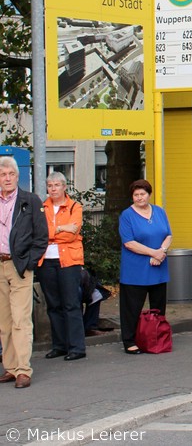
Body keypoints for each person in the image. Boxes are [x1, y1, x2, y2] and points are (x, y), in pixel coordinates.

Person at [0, 155, 47, 388]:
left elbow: (42, 237)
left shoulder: (29, 200)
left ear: (17, 177)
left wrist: (29, 262)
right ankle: (10, 367)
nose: (7, 178)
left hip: (19, 267)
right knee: (4, 322)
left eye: (11, 174)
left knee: (20, 320)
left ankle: (23, 370)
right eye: (2, 175)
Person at [119, 179, 172, 354]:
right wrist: (153, 253)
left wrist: (162, 251)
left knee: (158, 306)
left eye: (142, 194)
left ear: (149, 195)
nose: (139, 198)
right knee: (132, 308)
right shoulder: (127, 215)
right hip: (136, 270)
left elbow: (168, 235)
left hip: (158, 266)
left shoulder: (159, 212)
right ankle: (129, 341)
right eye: (136, 195)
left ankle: (157, 336)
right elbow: (129, 243)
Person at [38, 172, 87, 361]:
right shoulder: (42, 208)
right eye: (50, 185)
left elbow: (72, 234)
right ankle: (59, 345)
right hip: (46, 261)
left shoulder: (75, 206)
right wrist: (60, 228)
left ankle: (76, 347)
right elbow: (40, 233)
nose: (53, 189)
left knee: (71, 303)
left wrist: (55, 231)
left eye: (57, 185)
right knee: (53, 304)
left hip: (69, 261)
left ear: (65, 187)